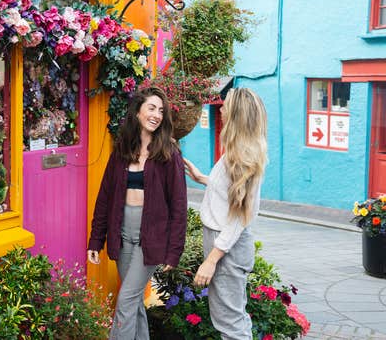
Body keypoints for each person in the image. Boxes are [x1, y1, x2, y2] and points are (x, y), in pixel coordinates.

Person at [87, 86, 188, 340]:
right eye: (151, 108)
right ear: (138, 112)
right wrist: (96, 240)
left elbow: (178, 206)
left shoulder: (169, 153)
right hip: (122, 235)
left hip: (151, 238)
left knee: (126, 300)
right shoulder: (122, 150)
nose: (156, 115)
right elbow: (105, 198)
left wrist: (174, 251)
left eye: (161, 111)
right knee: (133, 304)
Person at [183, 87, 268, 340]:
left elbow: (241, 217)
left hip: (226, 245)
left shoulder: (243, 156)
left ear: (237, 114)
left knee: (230, 321)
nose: (221, 109)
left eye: (225, 105)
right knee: (229, 317)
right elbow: (231, 194)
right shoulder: (239, 150)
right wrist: (204, 179)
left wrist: (212, 260)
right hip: (223, 242)